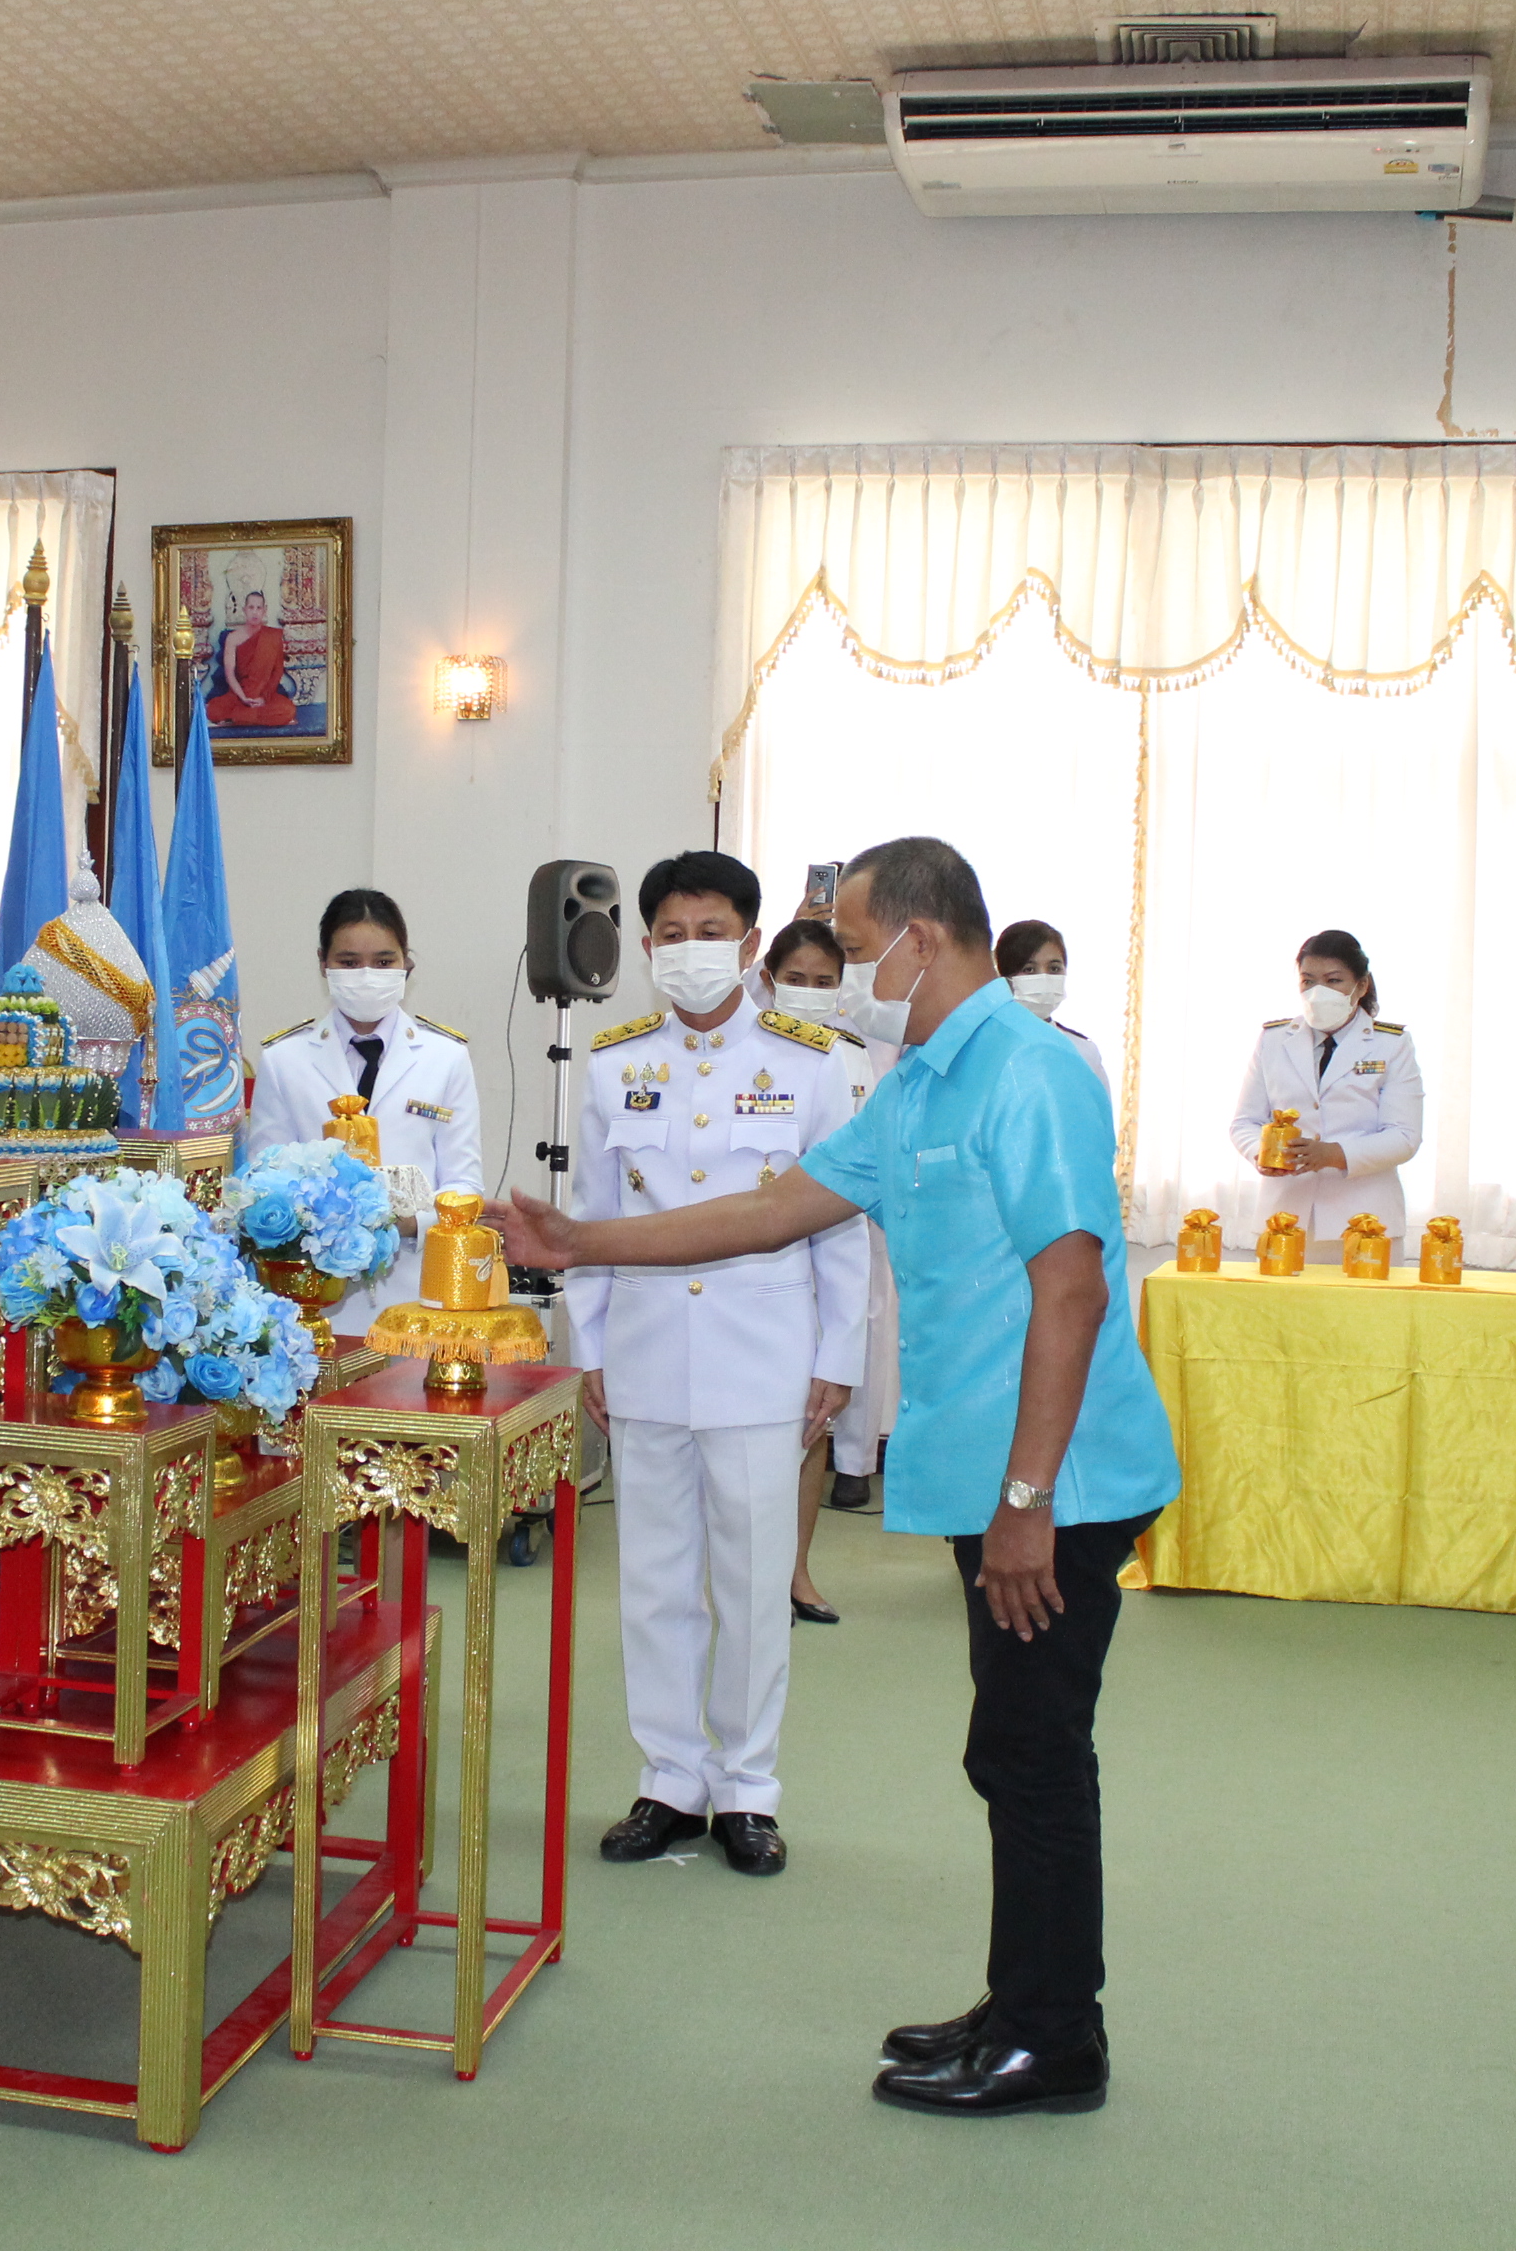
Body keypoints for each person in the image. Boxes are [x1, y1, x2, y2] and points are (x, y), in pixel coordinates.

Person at [501, 835, 1183, 2118]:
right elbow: (772, 1211)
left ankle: (1057, 2040)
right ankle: (1023, 2002)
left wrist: (1031, 1500)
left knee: (1033, 1756)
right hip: (997, 1470)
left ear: (923, 941)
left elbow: (1073, 1286)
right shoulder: (922, 1081)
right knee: (1010, 1750)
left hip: (1057, 1479)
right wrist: (580, 1239)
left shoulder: (1030, 1075)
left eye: (862, 950)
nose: (850, 974)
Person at [573, 856, 864, 1877]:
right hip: (650, 1350)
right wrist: (592, 1348)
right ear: (647, 947)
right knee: (654, 1580)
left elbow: (837, 1218)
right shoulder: (610, 1062)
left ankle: (747, 1788)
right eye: (673, 932)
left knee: (747, 1578)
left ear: (750, 945)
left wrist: (838, 1353)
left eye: (713, 930)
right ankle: (669, 1779)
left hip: (763, 1353)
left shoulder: (812, 1059)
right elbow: (600, 1221)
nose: (692, 948)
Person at [243, 888, 480, 1328]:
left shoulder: (445, 1057)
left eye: (384, 961)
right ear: (323, 963)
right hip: (312, 1302)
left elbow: (465, 1183)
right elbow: (264, 1180)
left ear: (407, 963)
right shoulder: (284, 1060)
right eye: (349, 962)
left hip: (415, 1293)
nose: (367, 975)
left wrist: (408, 1224)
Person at [760, 919, 864, 1619]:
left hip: (820, 1259)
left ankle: (795, 1572)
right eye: (794, 979)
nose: (808, 993)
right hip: (737, 1269)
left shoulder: (854, 1057)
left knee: (808, 1430)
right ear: (766, 979)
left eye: (824, 982)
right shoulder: (733, 1051)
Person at [1229, 927, 1424, 1260]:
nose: (1319, 992)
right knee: (1281, 1313)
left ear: (1360, 986)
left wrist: (1333, 1154)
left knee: (1365, 1312)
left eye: (1333, 981)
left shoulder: (1392, 1045)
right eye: (1308, 981)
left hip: (1366, 1223)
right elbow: (1244, 1122)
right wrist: (1260, 1153)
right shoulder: (1274, 1040)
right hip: (1285, 1218)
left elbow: (1405, 1136)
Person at [995, 919, 1106, 1086]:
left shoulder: (1084, 1051)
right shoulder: (987, 1047)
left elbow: (1099, 1110)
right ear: (1005, 977)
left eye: (1054, 968)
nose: (1044, 978)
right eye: (1029, 969)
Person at [204, 586, 296, 729]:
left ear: (264, 611)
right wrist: (244, 698)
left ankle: (236, 719)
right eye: (251, 607)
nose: (255, 612)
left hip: (265, 697)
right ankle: (251, 718)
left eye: (258, 608)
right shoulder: (233, 638)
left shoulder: (272, 637)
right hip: (239, 695)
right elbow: (229, 674)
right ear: (244, 610)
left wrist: (263, 698)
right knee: (213, 710)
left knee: (288, 709)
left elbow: (277, 672)